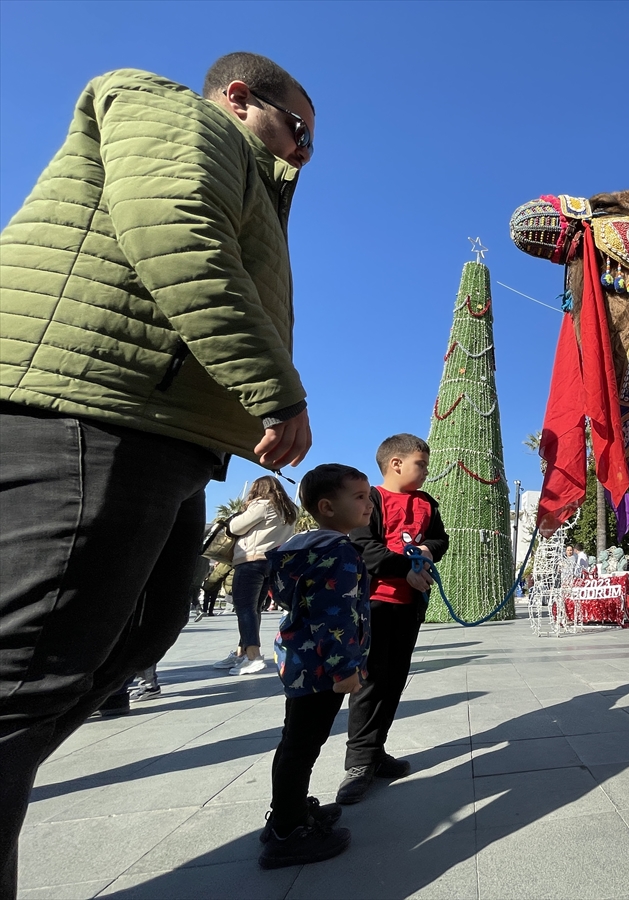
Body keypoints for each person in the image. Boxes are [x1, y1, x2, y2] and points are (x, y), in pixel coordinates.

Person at [0, 52, 315, 895]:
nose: (304, 154)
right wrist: (274, 390)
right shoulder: (179, 115)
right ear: (242, 98)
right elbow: (175, 229)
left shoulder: (241, 160)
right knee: (23, 680)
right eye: (299, 129)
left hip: (157, 429)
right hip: (89, 404)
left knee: (141, 632)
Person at [259, 464, 372, 869]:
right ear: (327, 506)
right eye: (358, 497)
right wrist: (346, 669)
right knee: (301, 745)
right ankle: (288, 832)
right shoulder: (337, 551)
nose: (368, 503)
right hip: (324, 667)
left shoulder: (305, 547)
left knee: (296, 741)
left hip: (302, 660)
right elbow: (334, 615)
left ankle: (289, 813)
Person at [338, 435, 446, 804]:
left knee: (395, 679)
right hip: (374, 606)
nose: (426, 470)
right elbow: (365, 547)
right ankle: (358, 763)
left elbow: (439, 539)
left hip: (409, 607)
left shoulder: (428, 503)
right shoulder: (372, 501)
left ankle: (376, 752)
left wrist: (428, 551)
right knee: (370, 683)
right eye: (421, 463)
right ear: (396, 463)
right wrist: (406, 570)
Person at [212, 476, 297, 675]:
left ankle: (253, 656)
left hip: (251, 560)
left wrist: (247, 508)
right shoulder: (290, 509)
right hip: (272, 561)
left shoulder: (262, 505)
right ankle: (242, 652)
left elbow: (234, 527)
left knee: (244, 608)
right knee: (254, 608)